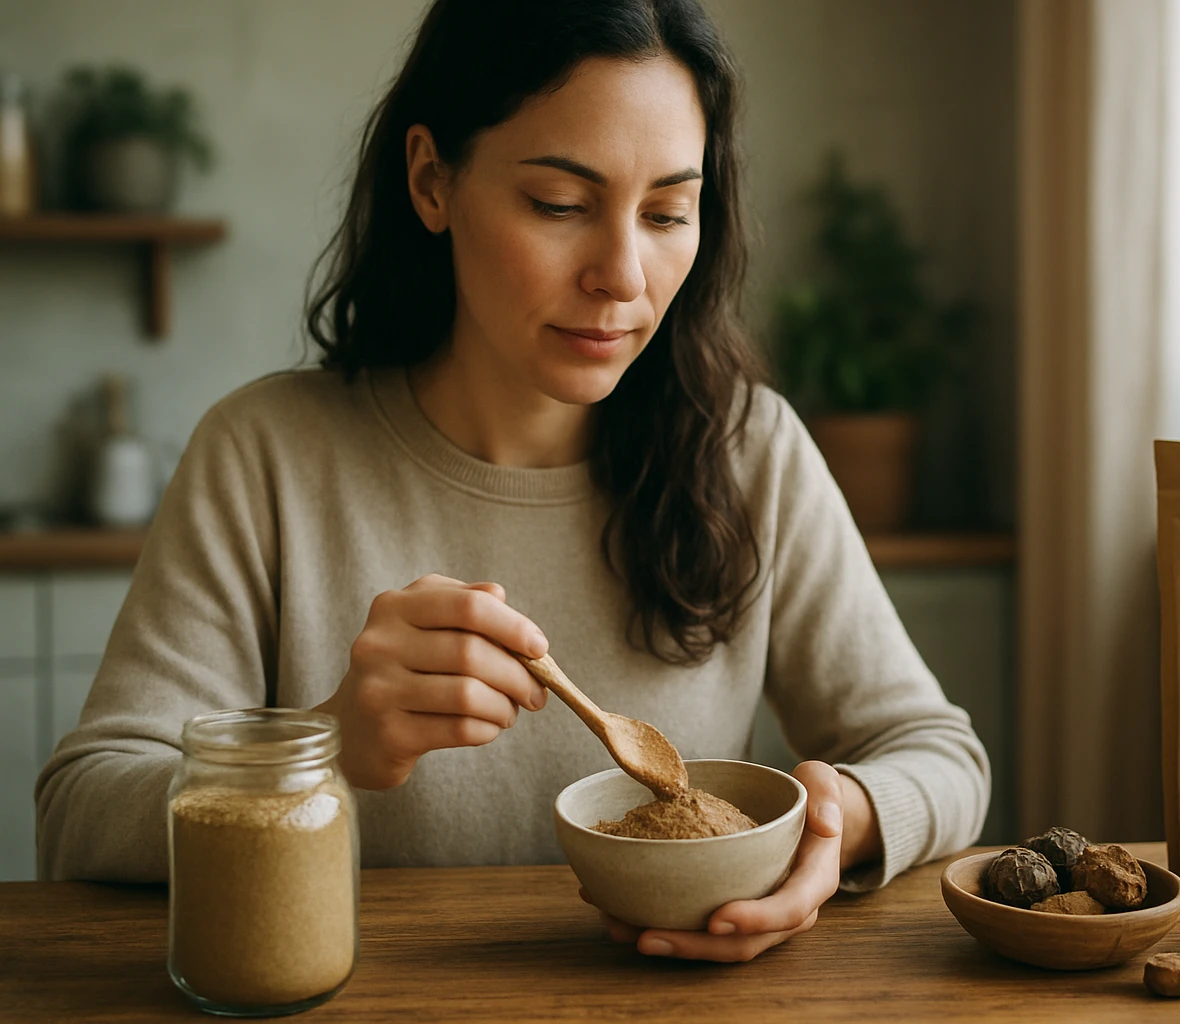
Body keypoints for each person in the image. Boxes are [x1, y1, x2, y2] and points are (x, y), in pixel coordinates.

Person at [35, 0, 989, 962]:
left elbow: (938, 754)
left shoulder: (750, 449)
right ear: (431, 180)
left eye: (667, 213)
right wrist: (324, 748)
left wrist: (837, 828)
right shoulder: (266, 453)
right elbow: (81, 809)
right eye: (561, 205)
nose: (623, 274)